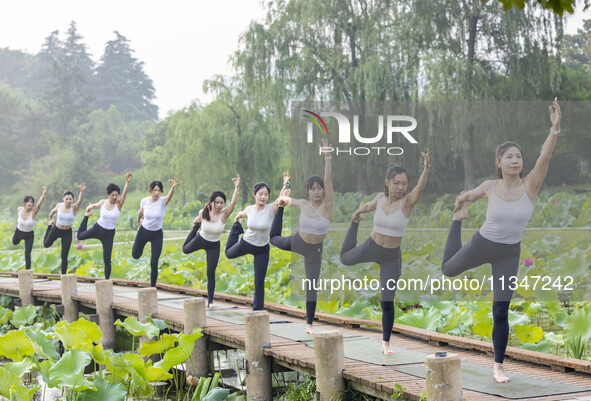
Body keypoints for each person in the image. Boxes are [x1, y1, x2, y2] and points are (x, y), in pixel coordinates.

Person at [441, 98, 561, 383]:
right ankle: (457, 224)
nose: (515, 160)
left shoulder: (530, 185)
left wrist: (554, 129)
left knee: (501, 309)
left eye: (518, 156)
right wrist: (460, 204)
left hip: (508, 253)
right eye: (509, 156)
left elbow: (544, 158)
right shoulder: (489, 186)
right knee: (448, 270)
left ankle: (498, 367)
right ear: (499, 162)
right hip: (483, 243)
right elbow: (466, 195)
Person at [340, 150, 431, 355]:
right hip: (371, 246)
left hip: (391, 257)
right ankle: (353, 226)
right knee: (345, 258)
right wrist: (359, 213)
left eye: (404, 183)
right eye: (397, 183)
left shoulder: (407, 203)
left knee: (386, 300)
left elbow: (419, 189)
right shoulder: (380, 198)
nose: (401, 187)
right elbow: (369, 206)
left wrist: (426, 169)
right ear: (388, 182)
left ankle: (386, 343)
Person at [270, 139, 333, 334]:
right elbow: (284, 200)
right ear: (308, 191)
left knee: (312, 284)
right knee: (273, 238)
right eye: (312, 188)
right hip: (298, 242)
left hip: (315, 250)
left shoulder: (327, 205)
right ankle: (279, 216)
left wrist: (327, 157)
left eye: (319, 188)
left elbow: (329, 180)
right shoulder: (303, 204)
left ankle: (309, 324)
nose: (316, 191)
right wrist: (282, 198)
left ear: (323, 191)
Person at [225, 174, 289, 310]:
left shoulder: (271, 209)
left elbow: (281, 199)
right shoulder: (249, 209)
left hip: (262, 249)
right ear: (254, 195)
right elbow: (240, 214)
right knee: (228, 254)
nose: (263, 197)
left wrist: (285, 184)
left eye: (266, 194)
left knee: (259, 281)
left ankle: (258, 310)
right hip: (245, 243)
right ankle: (235, 231)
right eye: (260, 194)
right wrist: (237, 219)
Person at [183, 174, 240, 307]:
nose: (219, 205)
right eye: (217, 202)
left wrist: (236, 188)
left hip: (213, 245)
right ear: (212, 202)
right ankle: (195, 229)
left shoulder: (224, 214)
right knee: (185, 250)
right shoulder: (205, 212)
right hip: (200, 238)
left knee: (210, 272)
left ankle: (210, 301)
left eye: (221, 203)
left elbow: (233, 203)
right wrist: (196, 224)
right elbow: (197, 218)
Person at [77, 173, 132, 279]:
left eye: (116, 195)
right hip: (98, 228)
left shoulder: (119, 204)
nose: (115, 197)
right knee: (79, 236)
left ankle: (107, 280)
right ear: (108, 195)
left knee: (107, 258)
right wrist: (88, 209)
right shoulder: (103, 202)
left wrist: (127, 182)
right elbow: (94, 206)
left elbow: (124, 194)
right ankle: (86, 217)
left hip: (109, 234)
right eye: (113, 195)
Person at [132, 178, 178, 287]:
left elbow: (169, 196)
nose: (156, 193)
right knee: (135, 255)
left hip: (157, 234)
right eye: (154, 190)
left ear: (161, 192)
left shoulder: (163, 201)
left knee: (154, 262)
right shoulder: (144, 201)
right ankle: (138, 248)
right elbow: (140, 212)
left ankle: (153, 287)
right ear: (150, 191)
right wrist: (139, 222)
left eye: (158, 190)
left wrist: (172, 188)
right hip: (143, 231)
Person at [44, 183, 86, 274]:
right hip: (56, 229)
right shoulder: (59, 205)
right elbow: (53, 211)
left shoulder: (74, 208)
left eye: (70, 199)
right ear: (63, 199)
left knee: (64, 256)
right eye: (66, 199)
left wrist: (82, 191)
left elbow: (79, 201)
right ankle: (49, 227)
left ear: (72, 200)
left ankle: (63, 276)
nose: (68, 201)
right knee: (46, 244)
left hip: (67, 232)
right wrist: (51, 217)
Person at [13, 186, 48, 269]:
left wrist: (43, 194)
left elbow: (39, 204)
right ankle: (16, 235)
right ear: (24, 203)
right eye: (28, 202)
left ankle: (27, 271)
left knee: (27, 254)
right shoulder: (19, 209)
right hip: (19, 232)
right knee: (14, 242)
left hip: (29, 235)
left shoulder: (34, 212)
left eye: (31, 202)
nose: (30, 203)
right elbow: (18, 214)